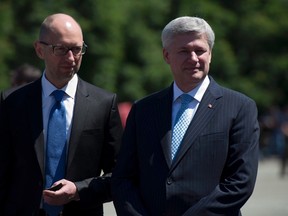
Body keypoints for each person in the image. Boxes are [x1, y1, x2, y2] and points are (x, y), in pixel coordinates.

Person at [111, 16, 260, 216]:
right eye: (183, 51)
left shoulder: (240, 107)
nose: (193, 59)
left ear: (210, 54)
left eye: (200, 50)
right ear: (166, 55)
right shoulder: (143, 110)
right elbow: (123, 178)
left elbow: (240, 183)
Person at [0, 13, 123, 216]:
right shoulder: (12, 102)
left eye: (76, 49)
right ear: (40, 50)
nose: (71, 58)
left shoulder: (103, 104)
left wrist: (78, 190)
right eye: (61, 49)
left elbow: (120, 174)